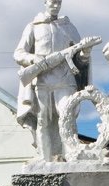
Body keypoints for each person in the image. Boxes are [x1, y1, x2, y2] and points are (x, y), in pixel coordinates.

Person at [14, 0, 94, 162]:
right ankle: (45, 158)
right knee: (43, 120)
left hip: (65, 80)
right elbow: (18, 53)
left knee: (67, 116)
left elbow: (79, 59)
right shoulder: (33, 26)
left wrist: (85, 52)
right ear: (45, 3)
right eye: (52, 2)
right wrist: (34, 59)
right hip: (42, 81)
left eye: (59, 2)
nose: (56, 5)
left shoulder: (69, 27)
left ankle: (70, 155)